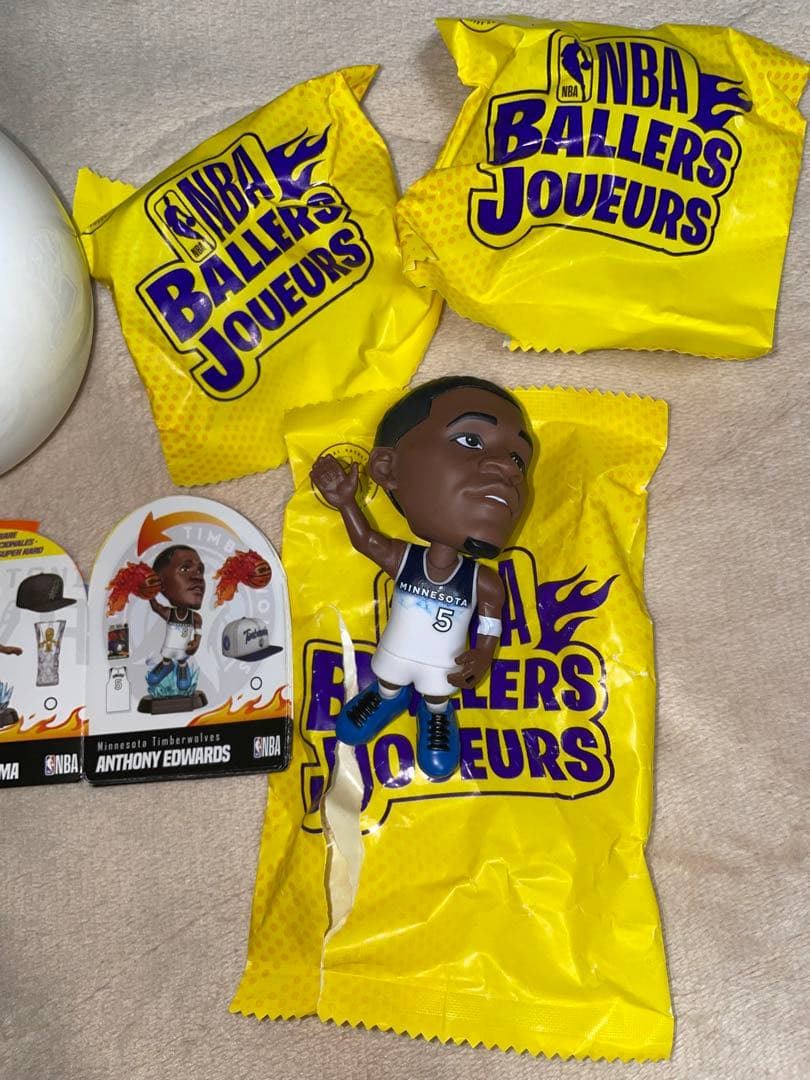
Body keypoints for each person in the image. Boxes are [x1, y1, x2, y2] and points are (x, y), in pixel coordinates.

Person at [311, 376, 534, 779]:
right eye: (470, 440)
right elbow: (366, 541)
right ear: (387, 469)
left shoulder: (483, 582)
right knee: (389, 679)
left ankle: (437, 715)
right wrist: (345, 503)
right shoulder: (406, 559)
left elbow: (491, 625)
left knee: (437, 692)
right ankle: (387, 698)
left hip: (442, 664)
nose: (509, 469)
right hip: (397, 652)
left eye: (519, 461)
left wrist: (483, 654)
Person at [144, 545, 205, 693]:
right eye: (185, 569)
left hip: (183, 648)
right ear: (161, 584)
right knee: (167, 655)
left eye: (200, 570)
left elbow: (198, 633)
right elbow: (156, 607)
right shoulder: (169, 614)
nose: (198, 576)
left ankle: (182, 667)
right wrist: (149, 594)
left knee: (182, 658)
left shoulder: (195, 617)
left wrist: (196, 642)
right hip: (170, 646)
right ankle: (167, 665)